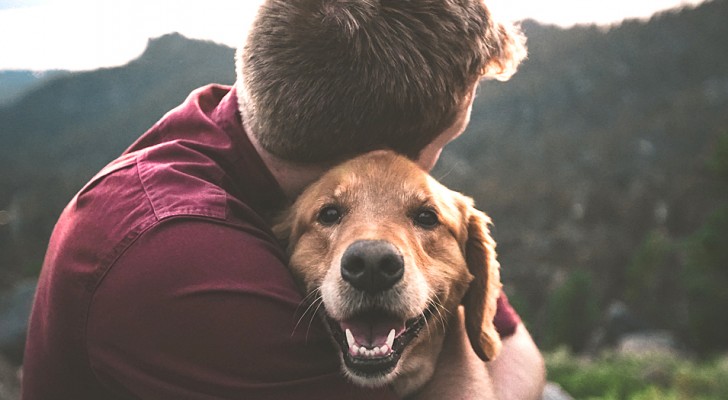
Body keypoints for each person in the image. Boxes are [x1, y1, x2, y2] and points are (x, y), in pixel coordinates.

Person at [22, 0, 544, 399]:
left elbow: (518, 352)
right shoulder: (179, 264)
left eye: (422, 209)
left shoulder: (241, 126)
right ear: (377, 153)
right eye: (443, 143)